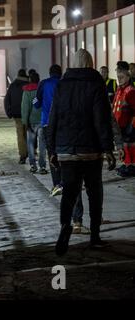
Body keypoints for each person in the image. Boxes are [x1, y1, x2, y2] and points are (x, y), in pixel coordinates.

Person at [47, 49, 116, 256]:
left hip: (66, 150)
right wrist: (108, 148)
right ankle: (95, 237)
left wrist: (51, 149)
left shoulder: (62, 85)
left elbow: (53, 118)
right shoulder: (97, 85)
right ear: (90, 63)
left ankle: (64, 226)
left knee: (69, 192)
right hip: (91, 151)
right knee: (95, 194)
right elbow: (101, 120)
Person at [35, 64, 63, 196]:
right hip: (63, 125)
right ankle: (65, 181)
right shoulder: (64, 83)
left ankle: (57, 184)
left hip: (47, 123)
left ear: (49, 72)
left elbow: (36, 102)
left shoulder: (44, 84)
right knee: (63, 152)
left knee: (51, 154)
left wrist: (36, 104)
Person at [21, 72, 47, 174]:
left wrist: (25, 121)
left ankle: (33, 165)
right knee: (42, 145)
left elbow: (25, 108)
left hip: (31, 122)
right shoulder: (42, 89)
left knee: (31, 144)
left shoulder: (27, 91)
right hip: (42, 120)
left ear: (30, 80)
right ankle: (43, 167)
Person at [113, 61, 135, 177]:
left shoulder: (130, 91)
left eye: (121, 77)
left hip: (128, 125)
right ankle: (126, 164)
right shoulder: (119, 89)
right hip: (119, 124)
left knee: (128, 145)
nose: (119, 80)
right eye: (118, 77)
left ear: (127, 76)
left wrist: (132, 125)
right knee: (123, 145)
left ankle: (130, 165)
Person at [4, 69, 29, 164]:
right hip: (28, 114)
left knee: (20, 135)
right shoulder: (28, 85)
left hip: (17, 114)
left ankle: (23, 155)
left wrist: (9, 112)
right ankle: (30, 152)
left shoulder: (13, 85)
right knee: (28, 134)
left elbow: (6, 100)